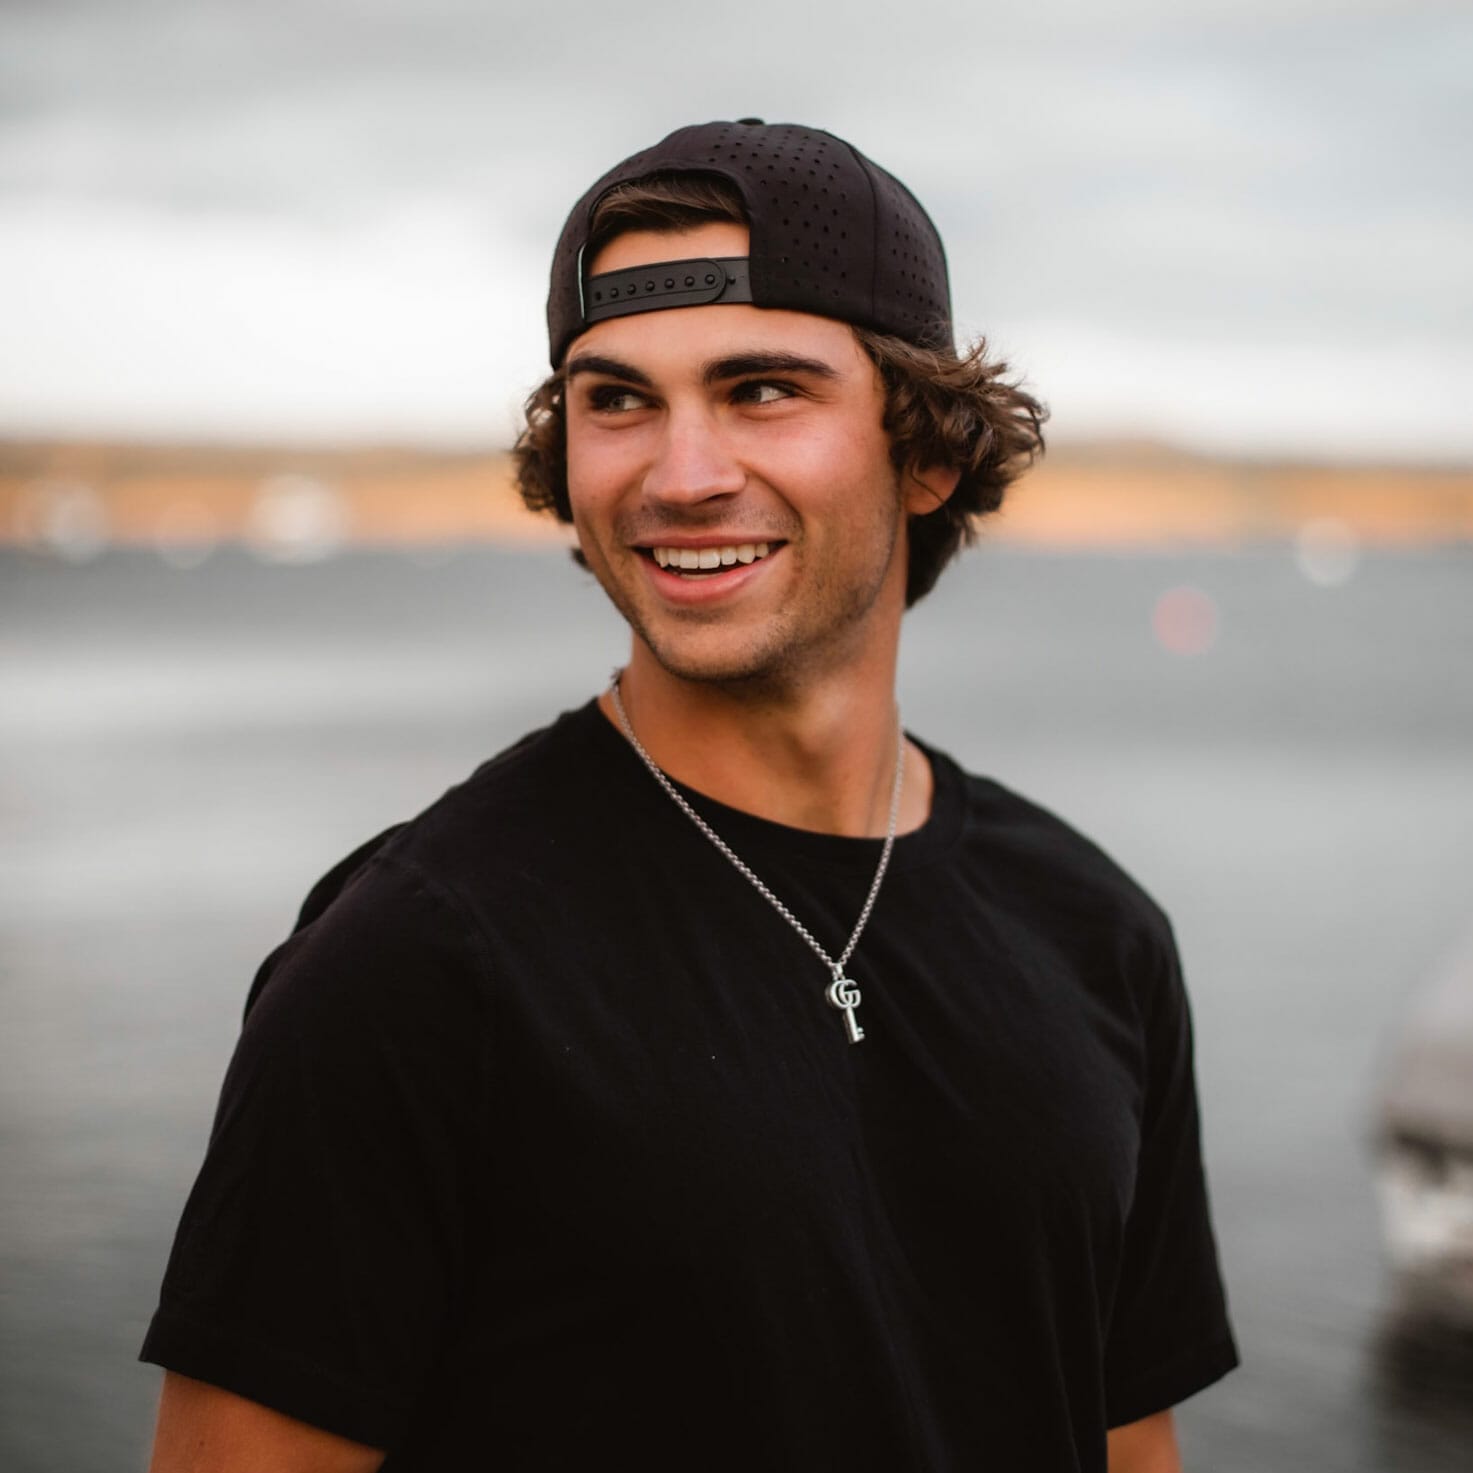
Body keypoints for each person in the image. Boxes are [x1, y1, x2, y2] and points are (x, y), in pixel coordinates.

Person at [141, 119, 1237, 1472]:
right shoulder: (414, 962)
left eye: (761, 388)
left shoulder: (1095, 934)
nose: (679, 474)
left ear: (928, 450)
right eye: (615, 399)